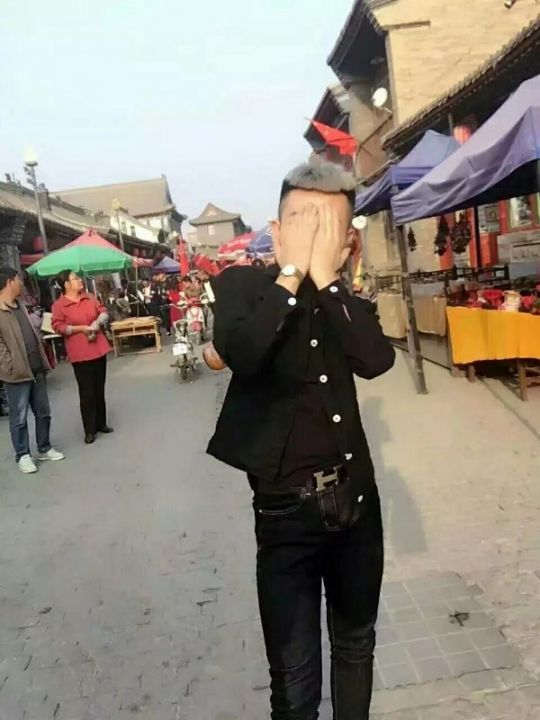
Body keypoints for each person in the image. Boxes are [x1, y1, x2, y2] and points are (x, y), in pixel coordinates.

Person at [207, 160, 395, 720]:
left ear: (348, 242)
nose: (314, 236)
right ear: (276, 228)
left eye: (327, 226)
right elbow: (244, 353)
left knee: (355, 645)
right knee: (294, 679)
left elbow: (376, 359)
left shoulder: (346, 302)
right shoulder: (242, 287)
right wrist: (291, 274)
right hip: (285, 513)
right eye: (301, 222)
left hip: (356, 504)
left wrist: (330, 281)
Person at [0, 266, 65, 473]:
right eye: (19, 279)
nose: (22, 283)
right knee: (19, 418)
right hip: (17, 374)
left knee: (43, 412)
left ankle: (44, 447)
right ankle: (23, 454)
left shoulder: (20, 305)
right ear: (10, 282)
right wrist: (10, 367)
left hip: (36, 368)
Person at [51, 270, 113, 445]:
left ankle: (101, 423)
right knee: (86, 391)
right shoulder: (59, 305)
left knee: (99, 387)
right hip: (80, 352)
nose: (79, 280)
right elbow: (58, 326)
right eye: (75, 278)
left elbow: (103, 311)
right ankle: (89, 429)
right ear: (66, 284)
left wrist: (97, 323)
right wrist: (81, 329)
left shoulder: (89, 297)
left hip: (98, 348)